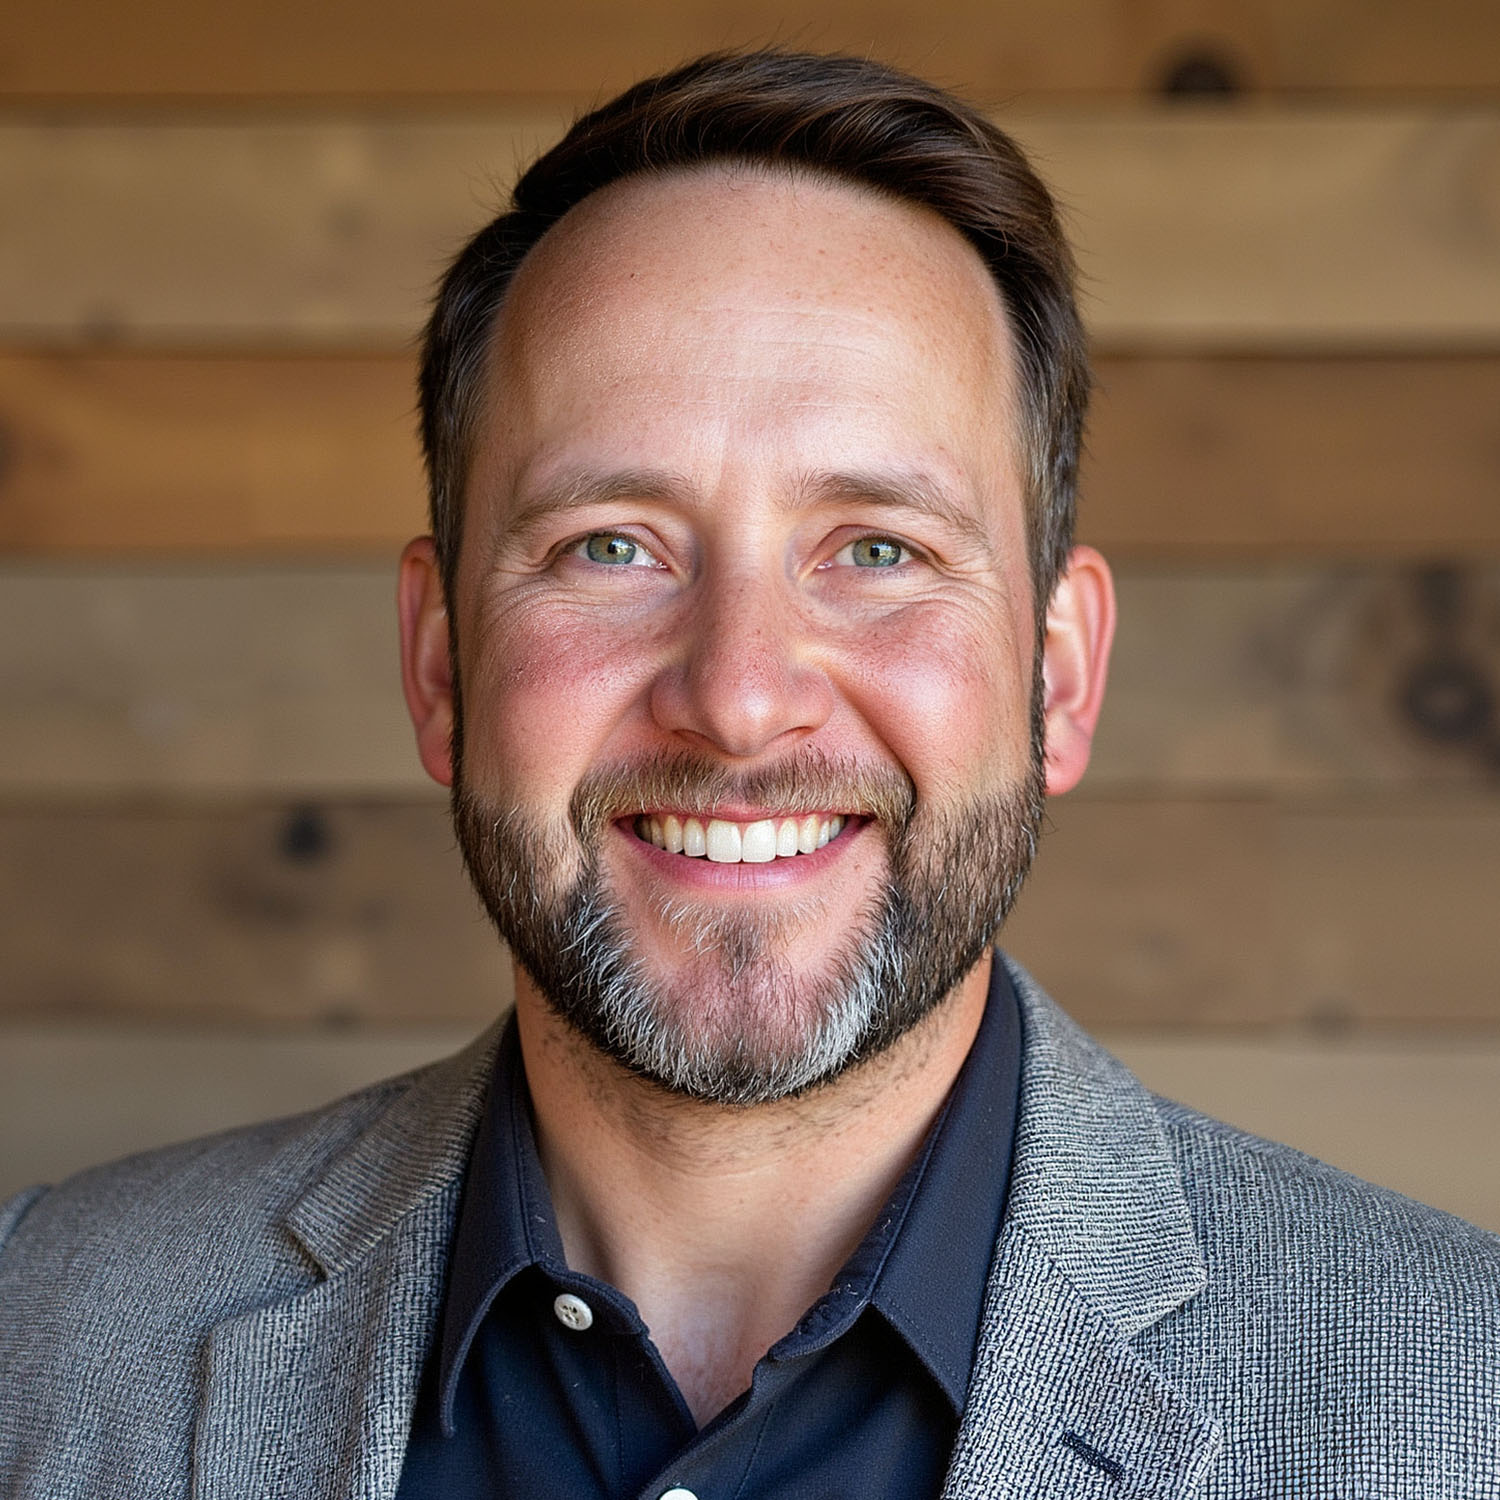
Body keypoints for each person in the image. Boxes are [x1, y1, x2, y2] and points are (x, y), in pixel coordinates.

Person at [1, 48, 1497, 1500]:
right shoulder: (43, 1338)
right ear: (442, 660)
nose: (736, 697)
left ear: (1057, 675)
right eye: (611, 546)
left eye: (877, 550)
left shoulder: (1460, 1402)